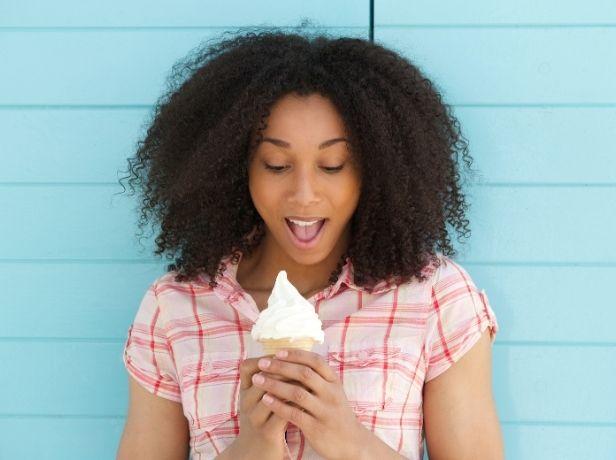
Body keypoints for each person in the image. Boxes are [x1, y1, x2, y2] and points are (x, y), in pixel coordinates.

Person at [116, 25, 504, 460]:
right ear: (235, 167)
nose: (304, 194)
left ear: (375, 167)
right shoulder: (173, 309)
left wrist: (349, 440)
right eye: (277, 164)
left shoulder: (436, 298)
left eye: (333, 165)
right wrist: (250, 449)